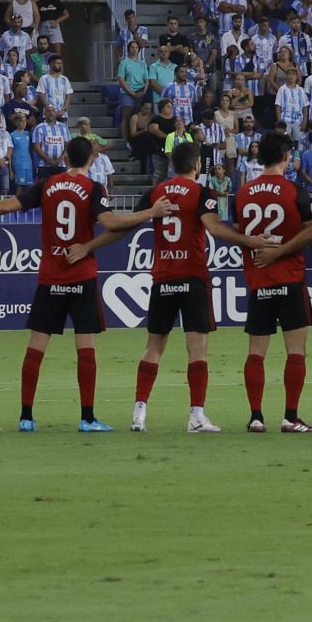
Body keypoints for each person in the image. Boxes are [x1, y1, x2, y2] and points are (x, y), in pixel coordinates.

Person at [0, 138, 174, 432]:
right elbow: (112, 222)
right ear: (92, 160)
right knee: (86, 349)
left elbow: (5, 206)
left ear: (64, 156)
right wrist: (150, 213)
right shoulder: (94, 188)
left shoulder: (47, 185)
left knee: (36, 348)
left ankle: (26, 416)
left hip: (50, 277)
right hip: (81, 276)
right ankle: (87, 418)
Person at [120, 143, 269, 433]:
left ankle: (139, 412)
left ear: (173, 164)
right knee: (197, 348)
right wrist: (250, 240)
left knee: (153, 346)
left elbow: (125, 223)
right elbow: (214, 228)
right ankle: (196, 416)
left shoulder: (156, 193)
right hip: (192, 277)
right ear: (197, 165)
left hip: (163, 277)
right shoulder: (201, 193)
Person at [233, 129, 312, 433]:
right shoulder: (294, 191)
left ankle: (256, 417)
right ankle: (290, 416)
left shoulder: (244, 191)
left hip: (259, 279)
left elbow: (239, 235)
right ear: (287, 157)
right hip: (289, 278)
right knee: (296, 351)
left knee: (256, 352)